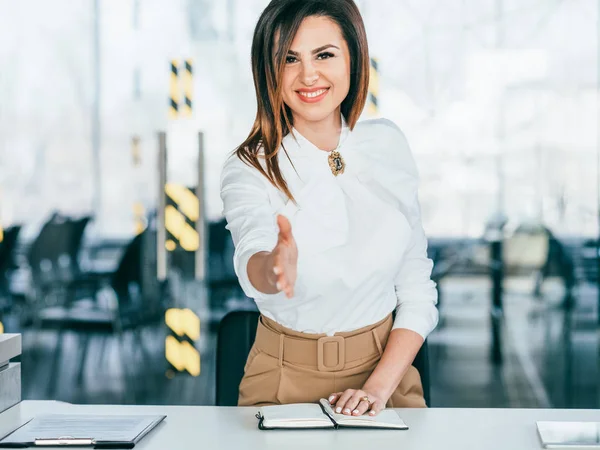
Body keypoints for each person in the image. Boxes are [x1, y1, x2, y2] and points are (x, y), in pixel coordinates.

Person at [220, 0, 438, 417]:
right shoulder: (250, 166)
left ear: (353, 58)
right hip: (283, 378)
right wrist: (274, 267)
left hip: (387, 376)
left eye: (324, 55)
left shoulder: (387, 144)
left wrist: (377, 388)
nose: (308, 75)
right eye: (289, 59)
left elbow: (416, 289)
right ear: (269, 71)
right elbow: (254, 258)